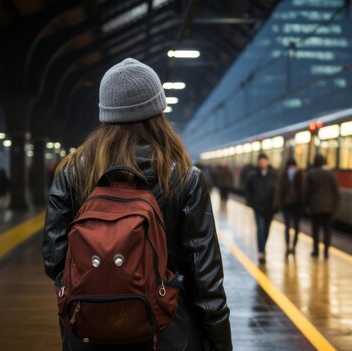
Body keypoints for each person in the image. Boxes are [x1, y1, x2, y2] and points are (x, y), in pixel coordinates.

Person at [42, 58, 232, 351]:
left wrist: (101, 289)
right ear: (158, 112)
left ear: (106, 113)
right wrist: (220, 344)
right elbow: (205, 281)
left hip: (88, 334)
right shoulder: (184, 177)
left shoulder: (71, 173)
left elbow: (54, 260)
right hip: (166, 334)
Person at [303, 154, 340, 259]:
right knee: (327, 230)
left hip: (315, 207)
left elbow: (307, 191)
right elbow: (335, 192)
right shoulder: (330, 174)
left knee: (316, 230)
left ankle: (315, 250)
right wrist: (335, 207)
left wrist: (306, 206)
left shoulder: (311, 173)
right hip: (328, 208)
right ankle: (326, 251)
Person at [245, 153, 278, 264]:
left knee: (267, 230)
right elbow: (248, 190)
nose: (263, 162)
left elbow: (278, 191)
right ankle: (261, 252)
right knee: (260, 229)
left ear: (267, 162)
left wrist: (277, 204)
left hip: (270, 208)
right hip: (258, 207)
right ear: (259, 162)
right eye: (261, 160)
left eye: (264, 160)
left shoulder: (274, 175)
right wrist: (251, 203)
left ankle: (263, 248)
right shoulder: (253, 175)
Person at [274, 158, 303, 257]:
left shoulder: (297, 175)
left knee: (295, 226)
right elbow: (280, 190)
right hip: (288, 205)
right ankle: (288, 246)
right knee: (289, 226)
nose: (292, 168)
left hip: (296, 205)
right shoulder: (286, 175)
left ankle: (293, 246)